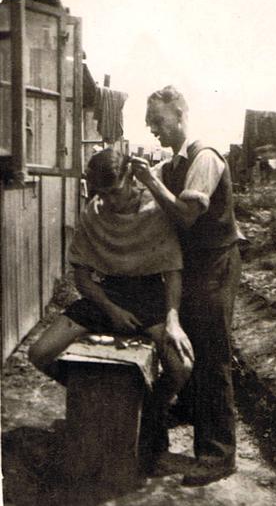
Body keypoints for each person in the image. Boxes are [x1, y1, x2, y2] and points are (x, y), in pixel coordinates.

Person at [29, 147, 194, 462]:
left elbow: (172, 273)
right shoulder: (94, 212)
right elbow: (82, 277)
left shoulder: (155, 211)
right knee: (39, 353)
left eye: (115, 191)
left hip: (148, 297)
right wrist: (110, 309)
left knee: (182, 366)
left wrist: (172, 320)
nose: (109, 201)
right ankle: (103, 400)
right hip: (106, 296)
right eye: (102, 193)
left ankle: (148, 409)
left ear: (131, 179)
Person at [131, 85, 243, 486]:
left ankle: (218, 454)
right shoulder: (175, 161)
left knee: (212, 356)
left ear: (180, 115)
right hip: (192, 265)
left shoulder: (205, 157)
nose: (152, 128)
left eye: (158, 120)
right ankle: (196, 412)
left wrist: (149, 181)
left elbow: (186, 216)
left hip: (214, 264)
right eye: (149, 122)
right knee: (190, 343)